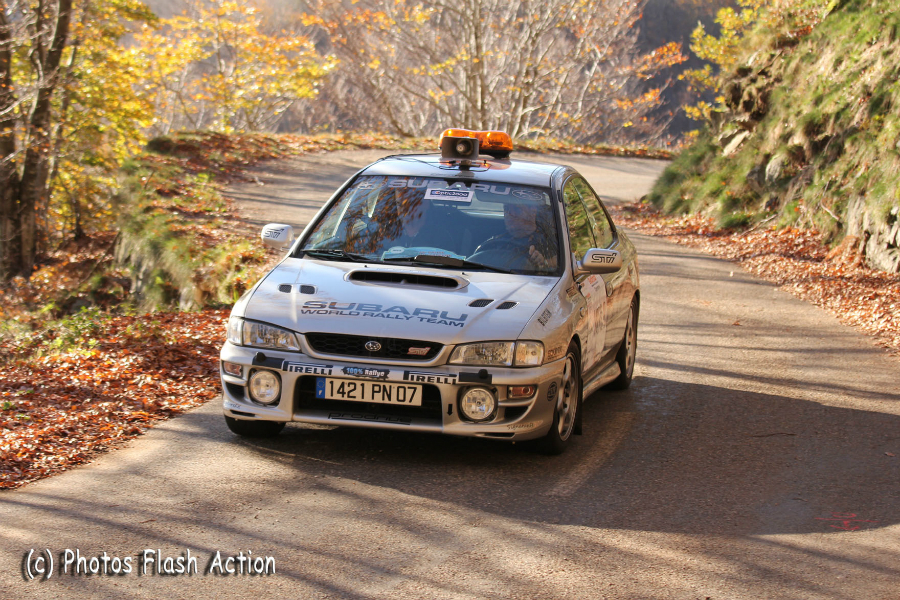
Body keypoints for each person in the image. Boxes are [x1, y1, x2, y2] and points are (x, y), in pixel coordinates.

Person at [472, 202, 559, 271]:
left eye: (517, 209)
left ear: (533, 211)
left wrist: (545, 263)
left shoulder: (548, 239)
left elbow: (563, 261)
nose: (510, 214)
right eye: (506, 208)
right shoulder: (494, 242)